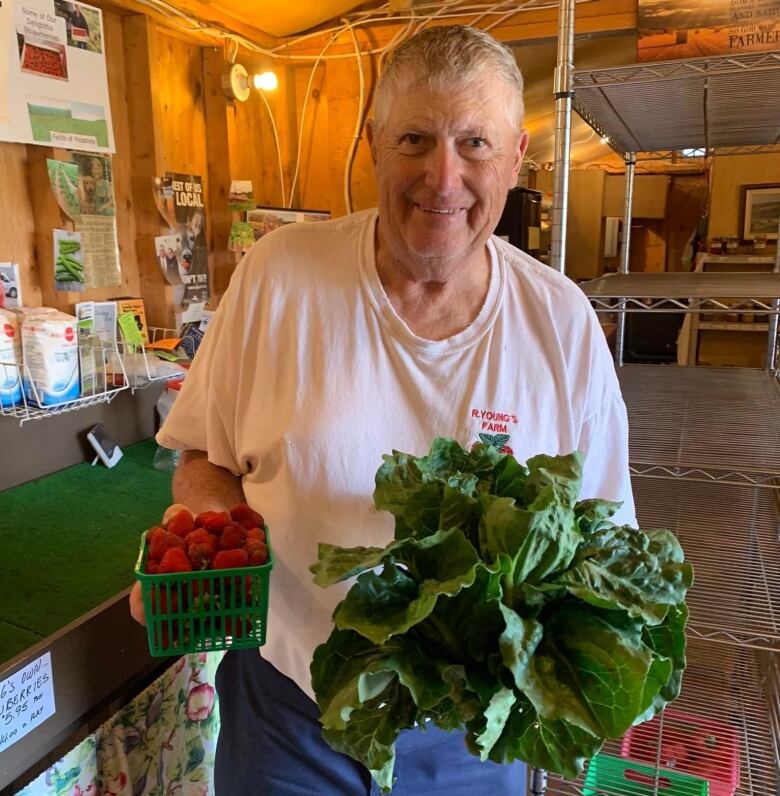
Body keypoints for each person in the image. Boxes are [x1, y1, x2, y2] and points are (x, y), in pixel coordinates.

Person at [130, 24, 635, 795]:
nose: (443, 177)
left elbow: (604, 545)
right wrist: (199, 540)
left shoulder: (561, 325)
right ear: (372, 144)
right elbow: (206, 457)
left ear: (516, 154)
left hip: (472, 736)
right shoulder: (279, 278)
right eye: (414, 139)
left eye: (474, 142)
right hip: (289, 715)